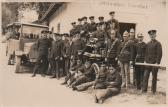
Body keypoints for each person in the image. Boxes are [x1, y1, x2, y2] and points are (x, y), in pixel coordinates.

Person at [142, 30, 162, 94]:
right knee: (145, 76)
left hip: (154, 63)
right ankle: (144, 89)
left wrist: (157, 62)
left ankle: (153, 91)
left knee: (154, 77)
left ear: (155, 35)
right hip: (148, 63)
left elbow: (159, 54)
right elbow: (146, 53)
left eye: (153, 34)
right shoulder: (148, 44)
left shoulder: (158, 43)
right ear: (149, 36)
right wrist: (145, 60)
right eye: (150, 35)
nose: (152, 36)